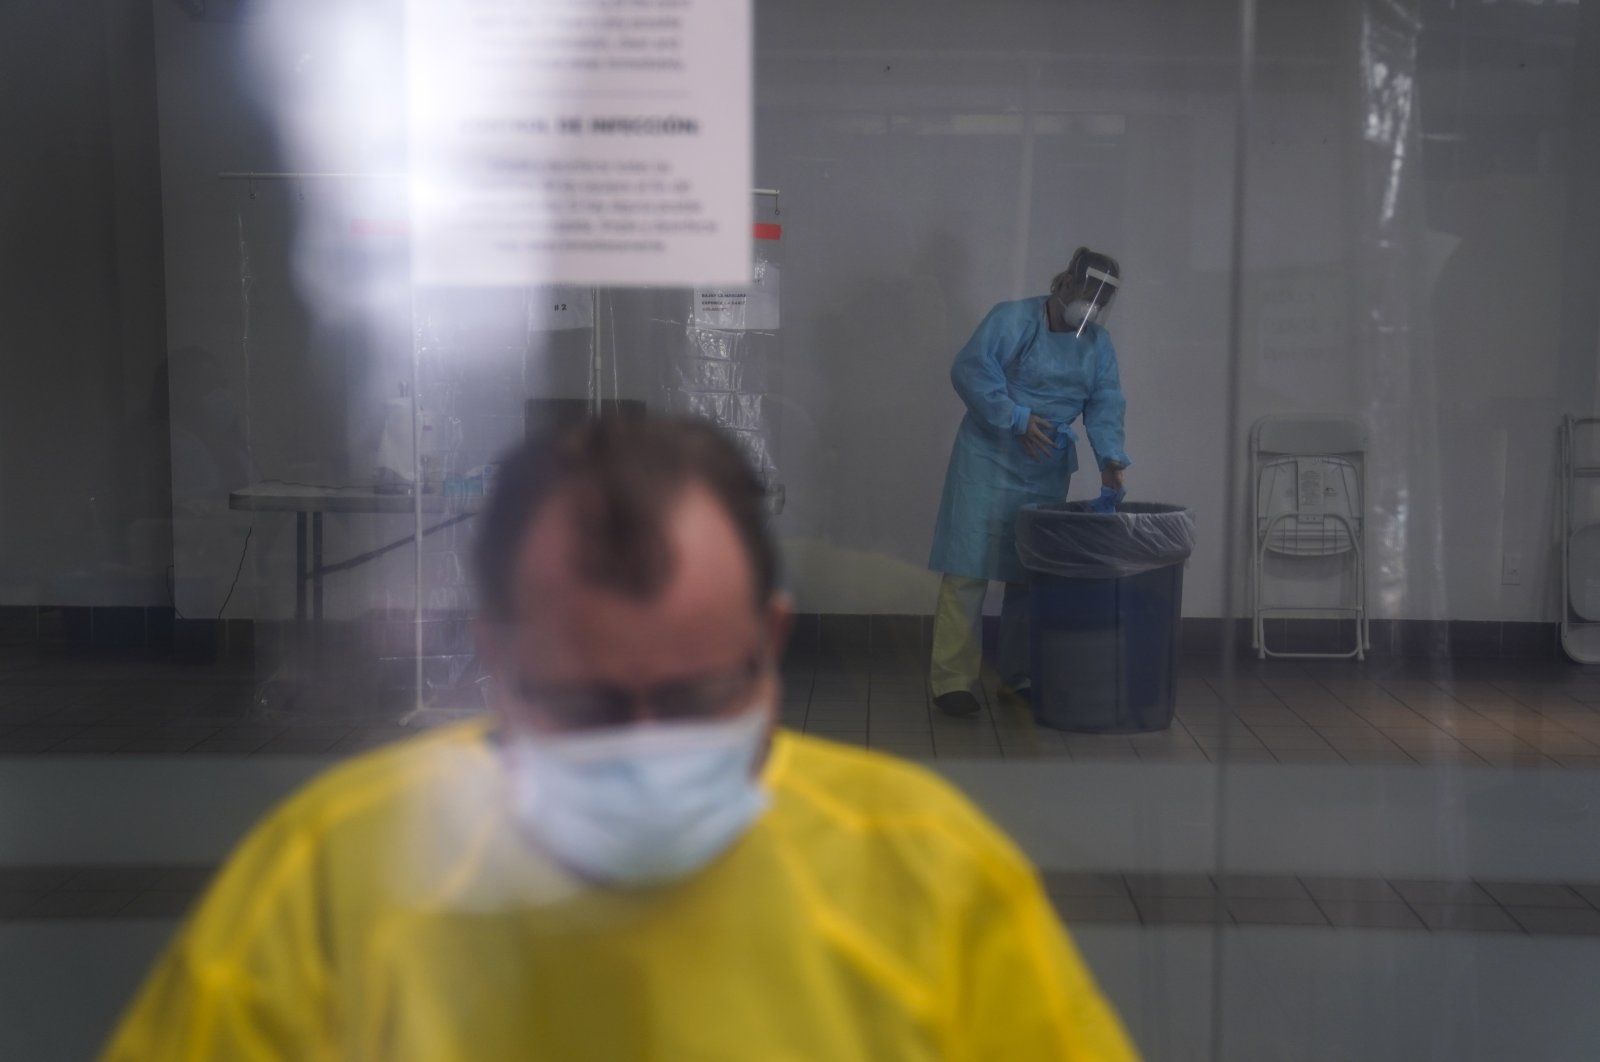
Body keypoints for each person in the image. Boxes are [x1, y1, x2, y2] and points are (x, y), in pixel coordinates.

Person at [102, 415, 1137, 1061]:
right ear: (496, 664)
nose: (647, 748)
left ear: (768, 644)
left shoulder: (925, 877)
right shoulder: (329, 884)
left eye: (694, 696)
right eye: (591, 705)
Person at [928, 248, 1131, 718]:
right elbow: (971, 371)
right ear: (1063, 284)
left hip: (1044, 465)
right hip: (987, 457)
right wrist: (1015, 417)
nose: (1090, 309)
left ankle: (1017, 675)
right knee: (967, 570)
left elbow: (1105, 402)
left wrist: (1110, 457)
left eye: (1100, 302)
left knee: (1029, 575)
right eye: (1086, 295)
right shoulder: (1013, 319)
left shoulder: (1097, 346)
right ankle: (952, 681)